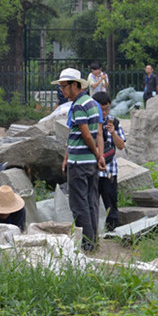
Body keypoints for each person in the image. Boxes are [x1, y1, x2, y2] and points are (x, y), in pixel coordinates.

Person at [52, 68, 105, 252]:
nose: (62, 91)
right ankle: (94, 241)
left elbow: (86, 135)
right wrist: (97, 156)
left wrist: (98, 154)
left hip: (80, 163)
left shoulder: (78, 106)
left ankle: (88, 245)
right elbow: (85, 134)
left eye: (64, 87)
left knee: (79, 205)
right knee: (91, 202)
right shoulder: (91, 103)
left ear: (76, 85)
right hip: (88, 162)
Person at [92, 91, 126, 231]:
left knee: (111, 203)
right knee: (92, 203)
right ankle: (93, 231)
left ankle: (112, 231)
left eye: (107, 109)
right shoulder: (90, 122)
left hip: (109, 171)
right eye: (102, 109)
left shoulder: (114, 122)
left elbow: (121, 145)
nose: (105, 112)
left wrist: (113, 132)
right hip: (93, 171)